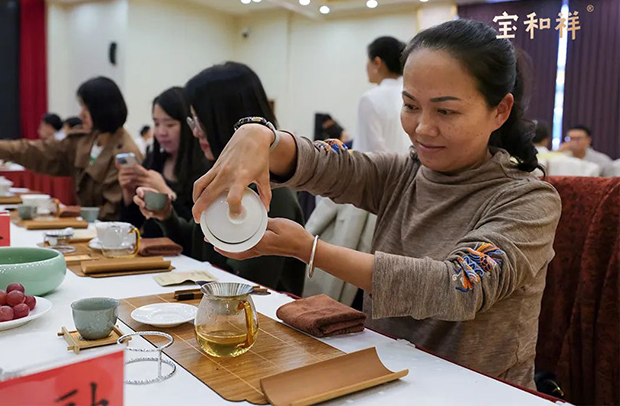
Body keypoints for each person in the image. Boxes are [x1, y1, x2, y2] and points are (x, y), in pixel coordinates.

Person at [190, 20, 562, 388]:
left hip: (478, 390)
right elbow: (328, 164)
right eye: (411, 106)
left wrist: (309, 249)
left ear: (500, 110)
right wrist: (262, 134)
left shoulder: (528, 199)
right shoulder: (403, 173)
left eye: (445, 111)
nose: (422, 128)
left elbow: (458, 285)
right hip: (386, 376)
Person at [133, 62, 306, 296]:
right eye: (192, 122)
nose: (195, 132)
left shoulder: (269, 193)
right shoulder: (222, 176)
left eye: (200, 121)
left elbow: (244, 287)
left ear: (224, 120)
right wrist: (166, 215)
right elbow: (200, 248)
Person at [0, 76, 140, 220]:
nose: (81, 114)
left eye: (86, 108)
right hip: (86, 226)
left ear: (102, 109)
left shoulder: (125, 153)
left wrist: (69, 212)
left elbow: (113, 212)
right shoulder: (85, 139)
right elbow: (41, 152)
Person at [118, 87, 206, 237]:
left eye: (170, 124)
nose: (161, 132)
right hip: (151, 251)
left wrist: (165, 192)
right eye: (156, 124)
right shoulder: (154, 160)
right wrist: (128, 193)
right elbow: (132, 226)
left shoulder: (204, 166)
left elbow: (196, 233)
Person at [354, 36, 411, 153]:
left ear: (377, 62)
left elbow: (369, 151)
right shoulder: (411, 95)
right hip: (411, 168)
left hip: (382, 169)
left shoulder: (369, 99)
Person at [533, 122, 601, 176]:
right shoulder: (560, 156)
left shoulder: (600, 162)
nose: (574, 142)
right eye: (570, 138)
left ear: (588, 140)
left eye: (578, 139)